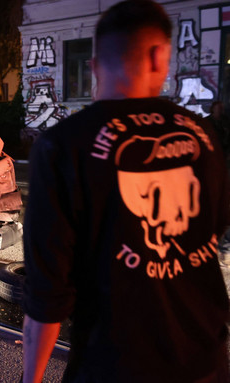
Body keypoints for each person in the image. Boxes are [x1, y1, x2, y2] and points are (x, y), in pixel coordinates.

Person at [21, 1, 230, 382]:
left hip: (114, 367)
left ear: (95, 66)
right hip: (206, 362)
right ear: (159, 56)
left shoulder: (63, 145)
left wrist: (31, 378)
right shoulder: (202, 135)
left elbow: (47, 295)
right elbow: (211, 232)